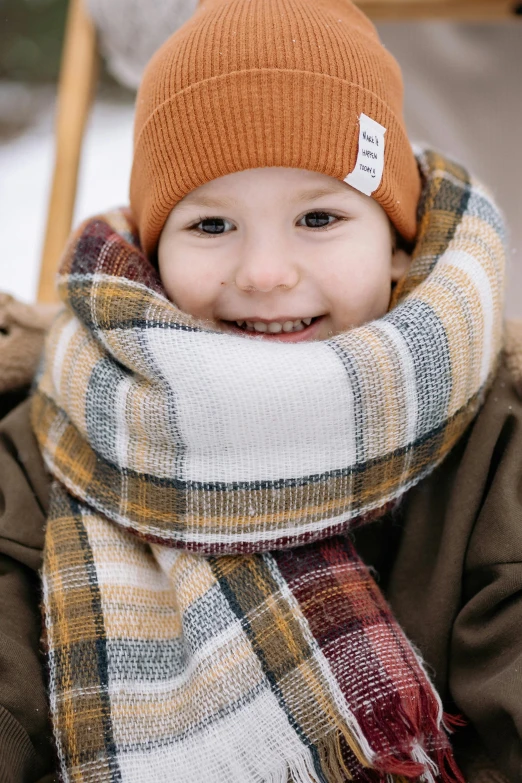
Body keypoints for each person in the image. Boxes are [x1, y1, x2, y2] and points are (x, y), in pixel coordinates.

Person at [0, 0, 521, 781]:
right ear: (151, 253)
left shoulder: (494, 432)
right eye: (212, 226)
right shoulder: (59, 430)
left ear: (396, 248)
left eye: (318, 216)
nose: (264, 272)